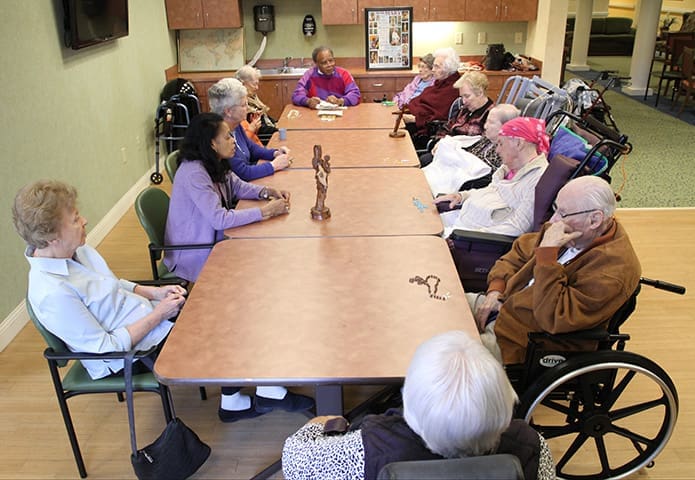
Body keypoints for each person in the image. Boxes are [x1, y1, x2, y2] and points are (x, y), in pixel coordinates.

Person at [163, 112, 315, 421]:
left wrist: (264, 193)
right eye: (228, 137)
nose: (234, 140)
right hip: (197, 251)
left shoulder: (213, 163)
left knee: (268, 281)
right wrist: (265, 213)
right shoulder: (193, 173)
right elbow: (219, 218)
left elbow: (238, 185)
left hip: (217, 242)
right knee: (256, 299)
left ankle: (252, 391)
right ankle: (261, 391)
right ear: (211, 144)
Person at [282, 331, 555, 480]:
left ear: (409, 400)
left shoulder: (369, 448)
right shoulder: (531, 447)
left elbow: (294, 462)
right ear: (504, 402)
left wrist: (317, 427)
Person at [13, 180, 187, 380]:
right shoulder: (51, 293)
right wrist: (159, 314)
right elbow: (105, 348)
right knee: (213, 344)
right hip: (129, 355)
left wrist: (155, 292)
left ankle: (230, 398)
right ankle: (229, 405)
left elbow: (111, 285)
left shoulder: (77, 249)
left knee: (211, 312)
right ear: (52, 237)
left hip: (149, 317)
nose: (85, 221)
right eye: (75, 219)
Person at [470, 176, 642, 365]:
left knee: (446, 356)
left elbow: (553, 317)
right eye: (556, 209)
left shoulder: (612, 271)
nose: (553, 220)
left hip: (521, 341)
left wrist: (548, 256)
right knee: (439, 306)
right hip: (503, 307)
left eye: (563, 213)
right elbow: (518, 252)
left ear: (595, 219)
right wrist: (496, 289)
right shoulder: (569, 232)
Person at [434, 116, 549, 238]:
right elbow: (490, 191)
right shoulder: (508, 168)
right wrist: (462, 196)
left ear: (518, 143)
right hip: (462, 220)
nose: (497, 150)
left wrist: (466, 236)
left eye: (500, 144)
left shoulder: (538, 179)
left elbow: (517, 227)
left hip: (470, 236)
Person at [422, 103, 520, 195]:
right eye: (486, 121)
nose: (485, 126)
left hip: (476, 180)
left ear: (506, 126)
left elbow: (491, 176)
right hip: (461, 168)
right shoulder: (486, 138)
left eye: (491, 123)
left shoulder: (506, 150)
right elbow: (465, 145)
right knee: (428, 159)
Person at [208, 78, 291, 181]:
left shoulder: (235, 125)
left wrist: (274, 153)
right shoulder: (219, 137)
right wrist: (274, 165)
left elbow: (251, 148)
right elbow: (243, 173)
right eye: (243, 105)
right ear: (228, 111)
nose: (247, 108)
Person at [419, 71, 496, 168]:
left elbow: (482, 149)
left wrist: (450, 150)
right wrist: (440, 142)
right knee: (423, 160)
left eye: (467, 96)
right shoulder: (465, 109)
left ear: (480, 92)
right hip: (449, 153)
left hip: (466, 162)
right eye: (462, 96)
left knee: (424, 162)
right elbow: (447, 128)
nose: (463, 101)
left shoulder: (491, 116)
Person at [402, 47, 461, 150]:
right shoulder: (438, 84)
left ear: (448, 68)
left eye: (437, 67)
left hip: (430, 131)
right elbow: (418, 102)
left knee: (399, 136)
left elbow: (441, 117)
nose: (433, 70)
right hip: (417, 121)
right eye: (433, 66)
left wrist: (414, 118)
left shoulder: (454, 88)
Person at [291, 46, 361, 109]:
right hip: (316, 114)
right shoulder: (309, 75)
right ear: (316, 64)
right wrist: (308, 101)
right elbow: (296, 96)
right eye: (324, 63)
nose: (329, 65)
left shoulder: (343, 74)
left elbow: (355, 94)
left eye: (331, 60)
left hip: (340, 112)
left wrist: (340, 101)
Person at [235, 65, 278, 144]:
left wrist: (277, 123)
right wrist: (278, 130)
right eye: (254, 84)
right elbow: (261, 130)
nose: (257, 87)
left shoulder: (252, 98)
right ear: (243, 84)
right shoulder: (244, 107)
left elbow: (265, 118)